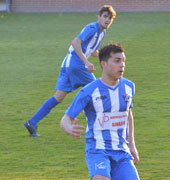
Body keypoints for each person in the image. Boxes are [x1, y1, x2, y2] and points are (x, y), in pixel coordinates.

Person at [60, 43, 140, 180]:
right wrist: (69, 128)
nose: (122, 65)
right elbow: (65, 119)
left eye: (123, 60)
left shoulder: (129, 87)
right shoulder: (89, 91)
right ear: (104, 64)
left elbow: (128, 114)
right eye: (117, 60)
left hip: (121, 150)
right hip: (98, 149)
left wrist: (132, 145)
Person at [24, 5, 116, 137]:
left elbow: (92, 50)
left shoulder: (102, 32)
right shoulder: (92, 28)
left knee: (59, 97)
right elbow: (75, 42)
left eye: (110, 18)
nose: (107, 20)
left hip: (67, 65)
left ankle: (32, 122)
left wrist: (108, 55)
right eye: (105, 17)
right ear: (99, 17)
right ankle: (102, 127)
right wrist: (86, 62)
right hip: (76, 64)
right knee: (97, 90)